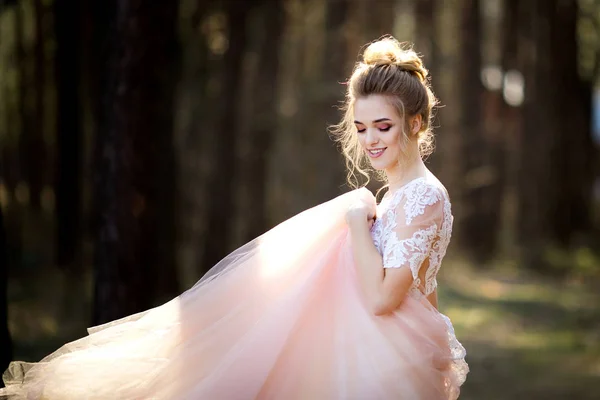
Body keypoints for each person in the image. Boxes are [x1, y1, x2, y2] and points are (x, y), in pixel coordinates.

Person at [1, 36, 468, 399]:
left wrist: (352, 222)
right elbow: (422, 283)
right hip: (379, 350)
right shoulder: (398, 193)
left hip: (383, 357)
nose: (370, 140)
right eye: (362, 128)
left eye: (383, 127)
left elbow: (385, 297)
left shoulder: (421, 195)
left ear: (415, 123)